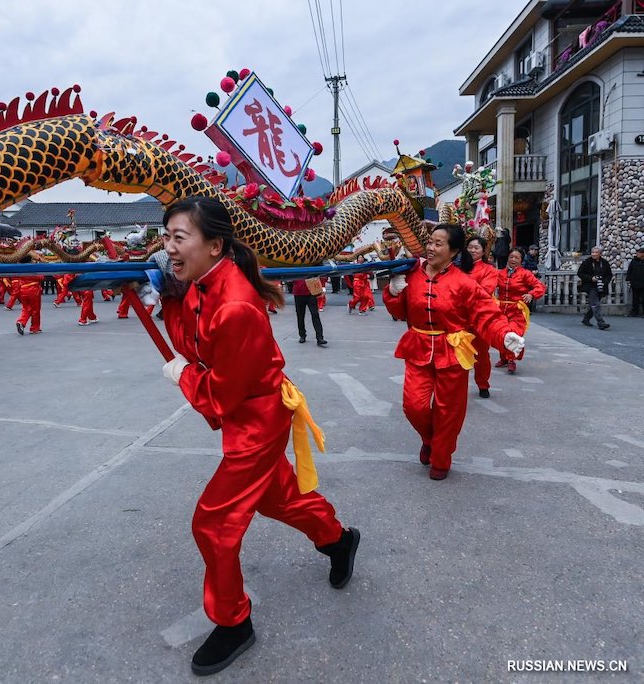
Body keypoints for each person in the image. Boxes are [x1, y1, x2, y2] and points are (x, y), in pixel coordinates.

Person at [157, 196, 358, 675]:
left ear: (215, 244)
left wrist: (181, 375)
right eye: (165, 238)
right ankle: (336, 539)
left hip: (256, 420)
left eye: (178, 238)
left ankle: (233, 623)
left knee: (213, 523)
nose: (168, 248)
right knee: (277, 498)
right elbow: (191, 342)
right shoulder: (203, 283)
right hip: (245, 412)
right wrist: (166, 296)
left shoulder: (235, 306)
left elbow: (219, 394)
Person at [383, 224, 524, 480]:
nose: (431, 248)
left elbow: (487, 315)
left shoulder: (464, 283)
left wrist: (505, 334)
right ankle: (429, 439)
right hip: (418, 348)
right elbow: (399, 312)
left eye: (439, 244)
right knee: (413, 406)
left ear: (453, 251)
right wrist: (393, 292)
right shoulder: (412, 274)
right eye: (430, 242)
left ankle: (441, 456)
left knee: (449, 411)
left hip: (453, 351)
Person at [495, 248, 547, 373]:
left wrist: (531, 294)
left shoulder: (525, 274)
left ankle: (512, 359)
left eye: (516, 257)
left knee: (513, 334)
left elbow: (540, 286)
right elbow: (489, 284)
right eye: (511, 256)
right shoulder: (500, 273)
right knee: (501, 334)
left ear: (521, 260)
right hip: (501, 309)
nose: (513, 259)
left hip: (517, 310)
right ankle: (504, 358)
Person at [465, 236, 499, 398]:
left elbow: (485, 291)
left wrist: (460, 291)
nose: (472, 250)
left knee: (481, 355)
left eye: (476, 248)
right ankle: (457, 386)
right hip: (459, 318)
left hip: (479, 318)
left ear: (483, 250)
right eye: (470, 247)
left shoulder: (489, 270)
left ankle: (483, 384)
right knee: (457, 353)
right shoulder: (458, 267)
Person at [577, 246, 612, 330]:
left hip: (601, 286)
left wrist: (605, 281)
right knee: (595, 304)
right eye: (592, 252)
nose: (594, 254)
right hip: (591, 286)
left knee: (594, 304)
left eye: (596, 252)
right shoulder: (587, 262)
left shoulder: (604, 263)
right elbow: (580, 273)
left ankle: (586, 319)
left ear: (600, 254)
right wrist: (591, 278)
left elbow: (609, 274)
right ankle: (601, 323)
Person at [291, 277, 327, 346]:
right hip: (298, 293)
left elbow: (318, 275)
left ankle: (319, 337)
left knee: (315, 314)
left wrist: (321, 288)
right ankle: (302, 335)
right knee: (300, 315)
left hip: (311, 292)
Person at [625, 246, 644, 317]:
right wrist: (628, 279)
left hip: (643, 283)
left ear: (643, 254)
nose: (637, 254)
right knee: (635, 299)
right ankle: (634, 312)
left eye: (639, 253)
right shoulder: (634, 261)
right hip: (635, 282)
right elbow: (630, 270)